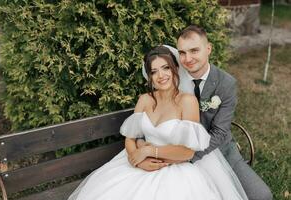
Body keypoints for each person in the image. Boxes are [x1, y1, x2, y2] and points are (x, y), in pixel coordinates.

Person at [68, 46, 248, 200]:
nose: (161, 75)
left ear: (175, 69)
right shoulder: (145, 100)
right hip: (138, 161)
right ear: (149, 76)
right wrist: (137, 161)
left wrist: (148, 150)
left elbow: (187, 152)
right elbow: (131, 139)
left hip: (175, 167)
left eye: (165, 68)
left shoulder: (187, 101)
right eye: (154, 71)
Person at [138, 25, 272, 200]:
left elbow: (219, 132)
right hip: (174, 149)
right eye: (182, 53)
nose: (188, 59)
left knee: (262, 196)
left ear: (208, 49)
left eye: (194, 50)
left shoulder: (226, 83)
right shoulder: (170, 77)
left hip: (218, 150)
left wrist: (186, 158)